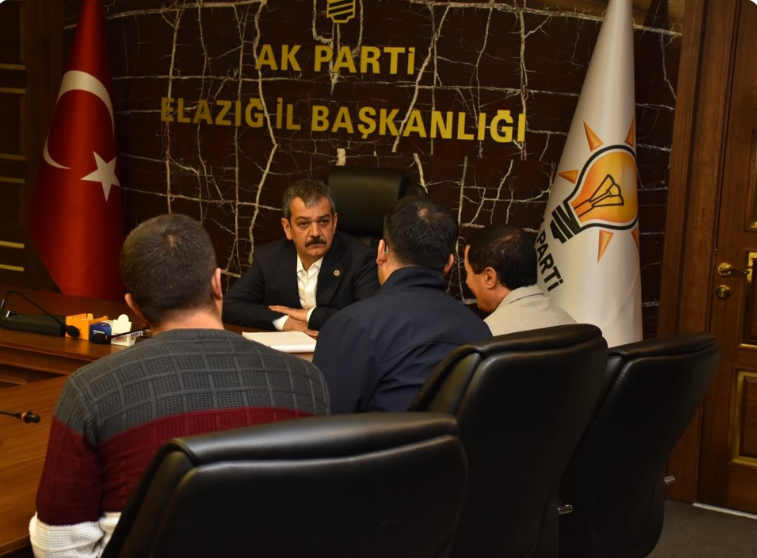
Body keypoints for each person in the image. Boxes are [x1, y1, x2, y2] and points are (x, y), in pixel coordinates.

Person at [29, 214, 329, 558]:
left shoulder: (90, 390)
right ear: (218, 284)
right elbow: (321, 520)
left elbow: (58, 548)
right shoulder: (307, 381)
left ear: (134, 306)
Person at [313, 197, 491, 414]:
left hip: (377, 437)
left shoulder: (349, 326)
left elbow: (323, 419)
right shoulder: (480, 331)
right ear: (449, 263)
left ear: (381, 251)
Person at [222, 179, 379, 333]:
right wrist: (284, 322)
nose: (315, 233)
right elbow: (229, 306)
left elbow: (371, 318)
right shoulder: (269, 258)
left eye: (323, 222)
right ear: (287, 228)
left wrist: (309, 315)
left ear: (334, 223)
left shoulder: (361, 259)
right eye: (304, 223)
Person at [464, 224, 575, 335]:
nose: (467, 281)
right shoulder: (570, 323)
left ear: (489, 278)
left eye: (468, 273)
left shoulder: (484, 336)